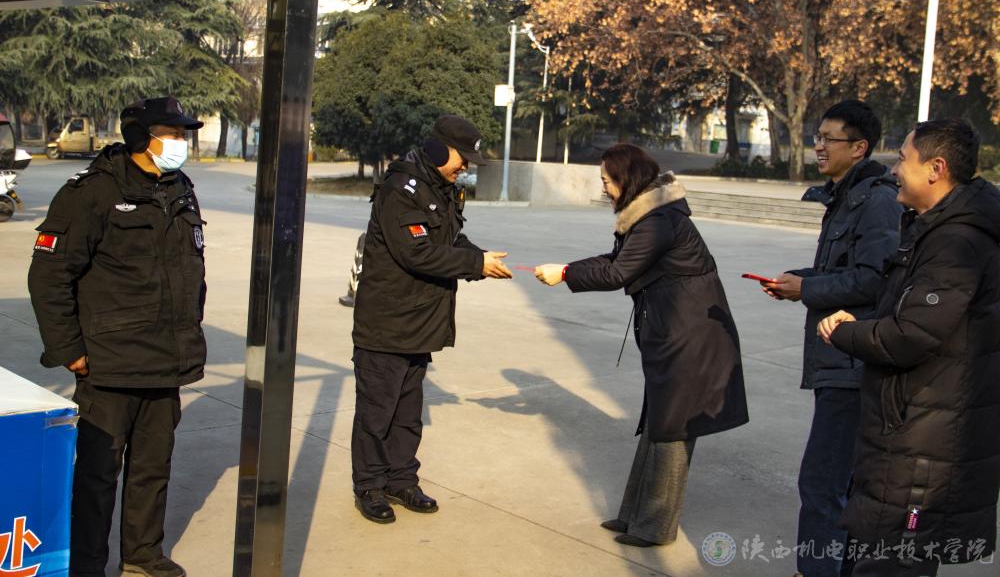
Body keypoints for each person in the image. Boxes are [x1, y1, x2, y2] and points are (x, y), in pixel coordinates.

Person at [534, 143, 749, 547]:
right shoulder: (648, 215)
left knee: (673, 428)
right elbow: (618, 260)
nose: (603, 188)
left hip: (691, 339)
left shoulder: (659, 220)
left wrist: (564, 274)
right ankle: (636, 515)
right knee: (658, 422)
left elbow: (618, 273)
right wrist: (568, 269)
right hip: (675, 334)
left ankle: (655, 527)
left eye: (607, 181)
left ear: (626, 179)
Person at [28, 96, 206, 577]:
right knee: (97, 476)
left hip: (165, 361)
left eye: (182, 134)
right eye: (172, 134)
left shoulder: (180, 188)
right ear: (141, 137)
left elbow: (191, 272)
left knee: (153, 468)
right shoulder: (93, 192)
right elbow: (49, 275)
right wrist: (69, 350)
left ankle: (143, 552)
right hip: (108, 364)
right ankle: (88, 564)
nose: (180, 143)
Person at [818, 119, 1000, 576]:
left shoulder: (957, 242)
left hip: (923, 446)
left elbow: (911, 336)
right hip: (913, 430)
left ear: (936, 169)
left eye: (903, 159)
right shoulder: (934, 228)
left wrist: (843, 332)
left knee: (894, 562)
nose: (894, 169)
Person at [760, 100, 902, 577]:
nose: (818, 146)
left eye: (828, 139)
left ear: (859, 147)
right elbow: (843, 269)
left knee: (823, 483)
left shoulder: (877, 201)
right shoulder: (847, 195)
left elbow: (875, 279)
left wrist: (808, 289)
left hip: (853, 363)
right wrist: (800, 280)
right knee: (840, 484)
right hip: (838, 359)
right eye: (816, 137)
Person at [350, 114, 512, 524]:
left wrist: (480, 258)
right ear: (439, 149)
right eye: (463, 158)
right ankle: (370, 486)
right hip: (386, 323)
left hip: (419, 323)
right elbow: (416, 253)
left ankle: (401, 480)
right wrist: (474, 264)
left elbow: (450, 239)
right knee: (376, 413)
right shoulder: (400, 189)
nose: (466, 168)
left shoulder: (442, 189)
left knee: (407, 414)